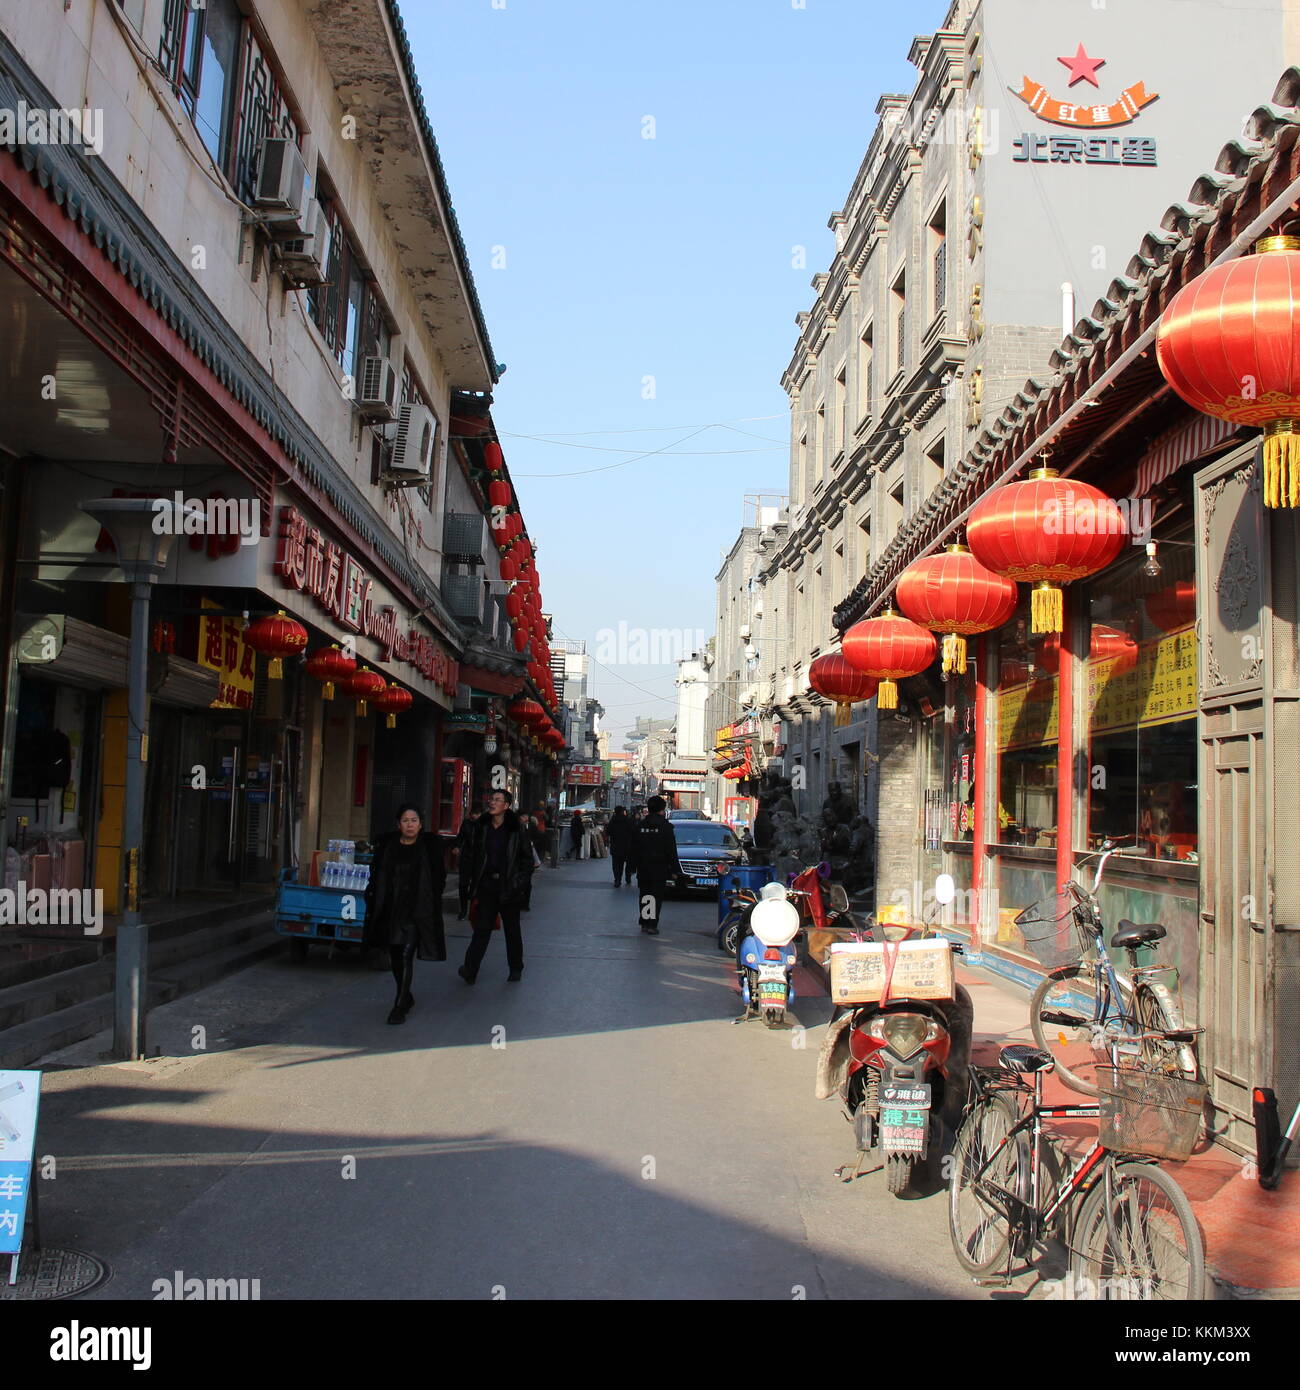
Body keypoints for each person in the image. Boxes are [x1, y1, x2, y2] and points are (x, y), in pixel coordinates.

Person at [363, 804, 447, 1024]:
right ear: (398, 824)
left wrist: (430, 902)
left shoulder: (429, 848)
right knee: (395, 955)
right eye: (405, 820)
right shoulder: (388, 847)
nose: (410, 825)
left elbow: (439, 879)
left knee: (405, 955)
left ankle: (399, 1005)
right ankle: (406, 993)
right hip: (390, 909)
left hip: (416, 911)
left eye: (414, 820)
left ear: (421, 824)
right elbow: (377, 877)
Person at [458, 789, 531, 983]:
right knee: (481, 930)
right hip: (487, 884)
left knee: (512, 930)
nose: (492, 803)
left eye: (497, 800)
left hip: (509, 886)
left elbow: (526, 859)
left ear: (506, 806)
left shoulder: (516, 829)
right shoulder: (481, 827)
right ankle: (470, 970)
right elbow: (474, 857)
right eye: (492, 799)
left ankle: (516, 968)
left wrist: (518, 882)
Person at [631, 795, 682, 936]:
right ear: (662, 810)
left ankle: (644, 922)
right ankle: (652, 924)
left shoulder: (640, 826)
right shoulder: (666, 827)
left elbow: (634, 848)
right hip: (659, 867)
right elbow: (671, 850)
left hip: (643, 867)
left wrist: (631, 867)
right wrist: (674, 869)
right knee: (656, 896)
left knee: (645, 894)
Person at [453, 807, 482, 919]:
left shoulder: (484, 825)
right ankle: (463, 910)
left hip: (478, 858)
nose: (475, 816)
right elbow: (461, 836)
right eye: (473, 814)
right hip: (467, 857)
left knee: (475, 885)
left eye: (477, 814)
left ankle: (472, 910)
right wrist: (457, 846)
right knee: (463, 884)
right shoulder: (466, 823)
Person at [607, 806, 634, 886]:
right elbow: (632, 831)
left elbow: (608, 832)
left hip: (615, 846)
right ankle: (627, 877)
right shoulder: (627, 820)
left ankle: (617, 879)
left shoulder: (613, 821)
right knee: (628, 863)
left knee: (616, 864)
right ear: (622, 812)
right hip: (626, 846)